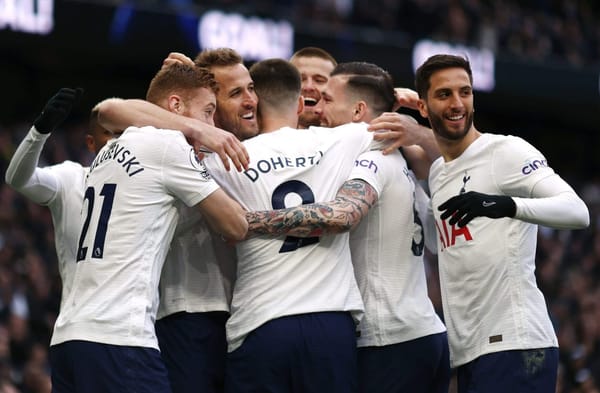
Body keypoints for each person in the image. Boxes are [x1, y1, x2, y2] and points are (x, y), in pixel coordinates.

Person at [244, 61, 450, 393]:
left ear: (357, 111)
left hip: (388, 340)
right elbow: (436, 243)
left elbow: (343, 216)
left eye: (326, 99)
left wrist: (248, 221)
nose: (317, 108)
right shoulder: (399, 163)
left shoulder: (372, 160)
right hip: (423, 332)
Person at [49, 63, 248, 393]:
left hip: (69, 338)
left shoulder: (108, 150)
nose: (213, 124)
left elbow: (108, 110)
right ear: (175, 106)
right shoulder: (169, 147)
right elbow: (236, 225)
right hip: (119, 338)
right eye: (208, 111)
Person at [203, 58, 386, 393]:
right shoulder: (345, 140)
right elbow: (395, 121)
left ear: (254, 105)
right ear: (301, 103)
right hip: (331, 323)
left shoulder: (223, 159)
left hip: (261, 323)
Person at [414, 53, 590, 393]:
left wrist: (506, 205)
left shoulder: (505, 151)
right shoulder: (438, 173)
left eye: (465, 92)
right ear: (423, 107)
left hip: (516, 345)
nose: (457, 103)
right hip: (470, 351)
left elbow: (577, 211)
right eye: (444, 94)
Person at [5, 87, 116, 321]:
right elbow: (17, 179)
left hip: (140, 334)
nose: (116, 143)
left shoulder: (151, 187)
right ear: (90, 143)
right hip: (80, 326)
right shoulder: (71, 177)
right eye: (108, 134)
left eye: (123, 136)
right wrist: (40, 131)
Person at [289, 46, 338, 128]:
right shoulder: (266, 139)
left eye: (319, 80)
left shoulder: (355, 139)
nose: (308, 87)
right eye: (300, 79)